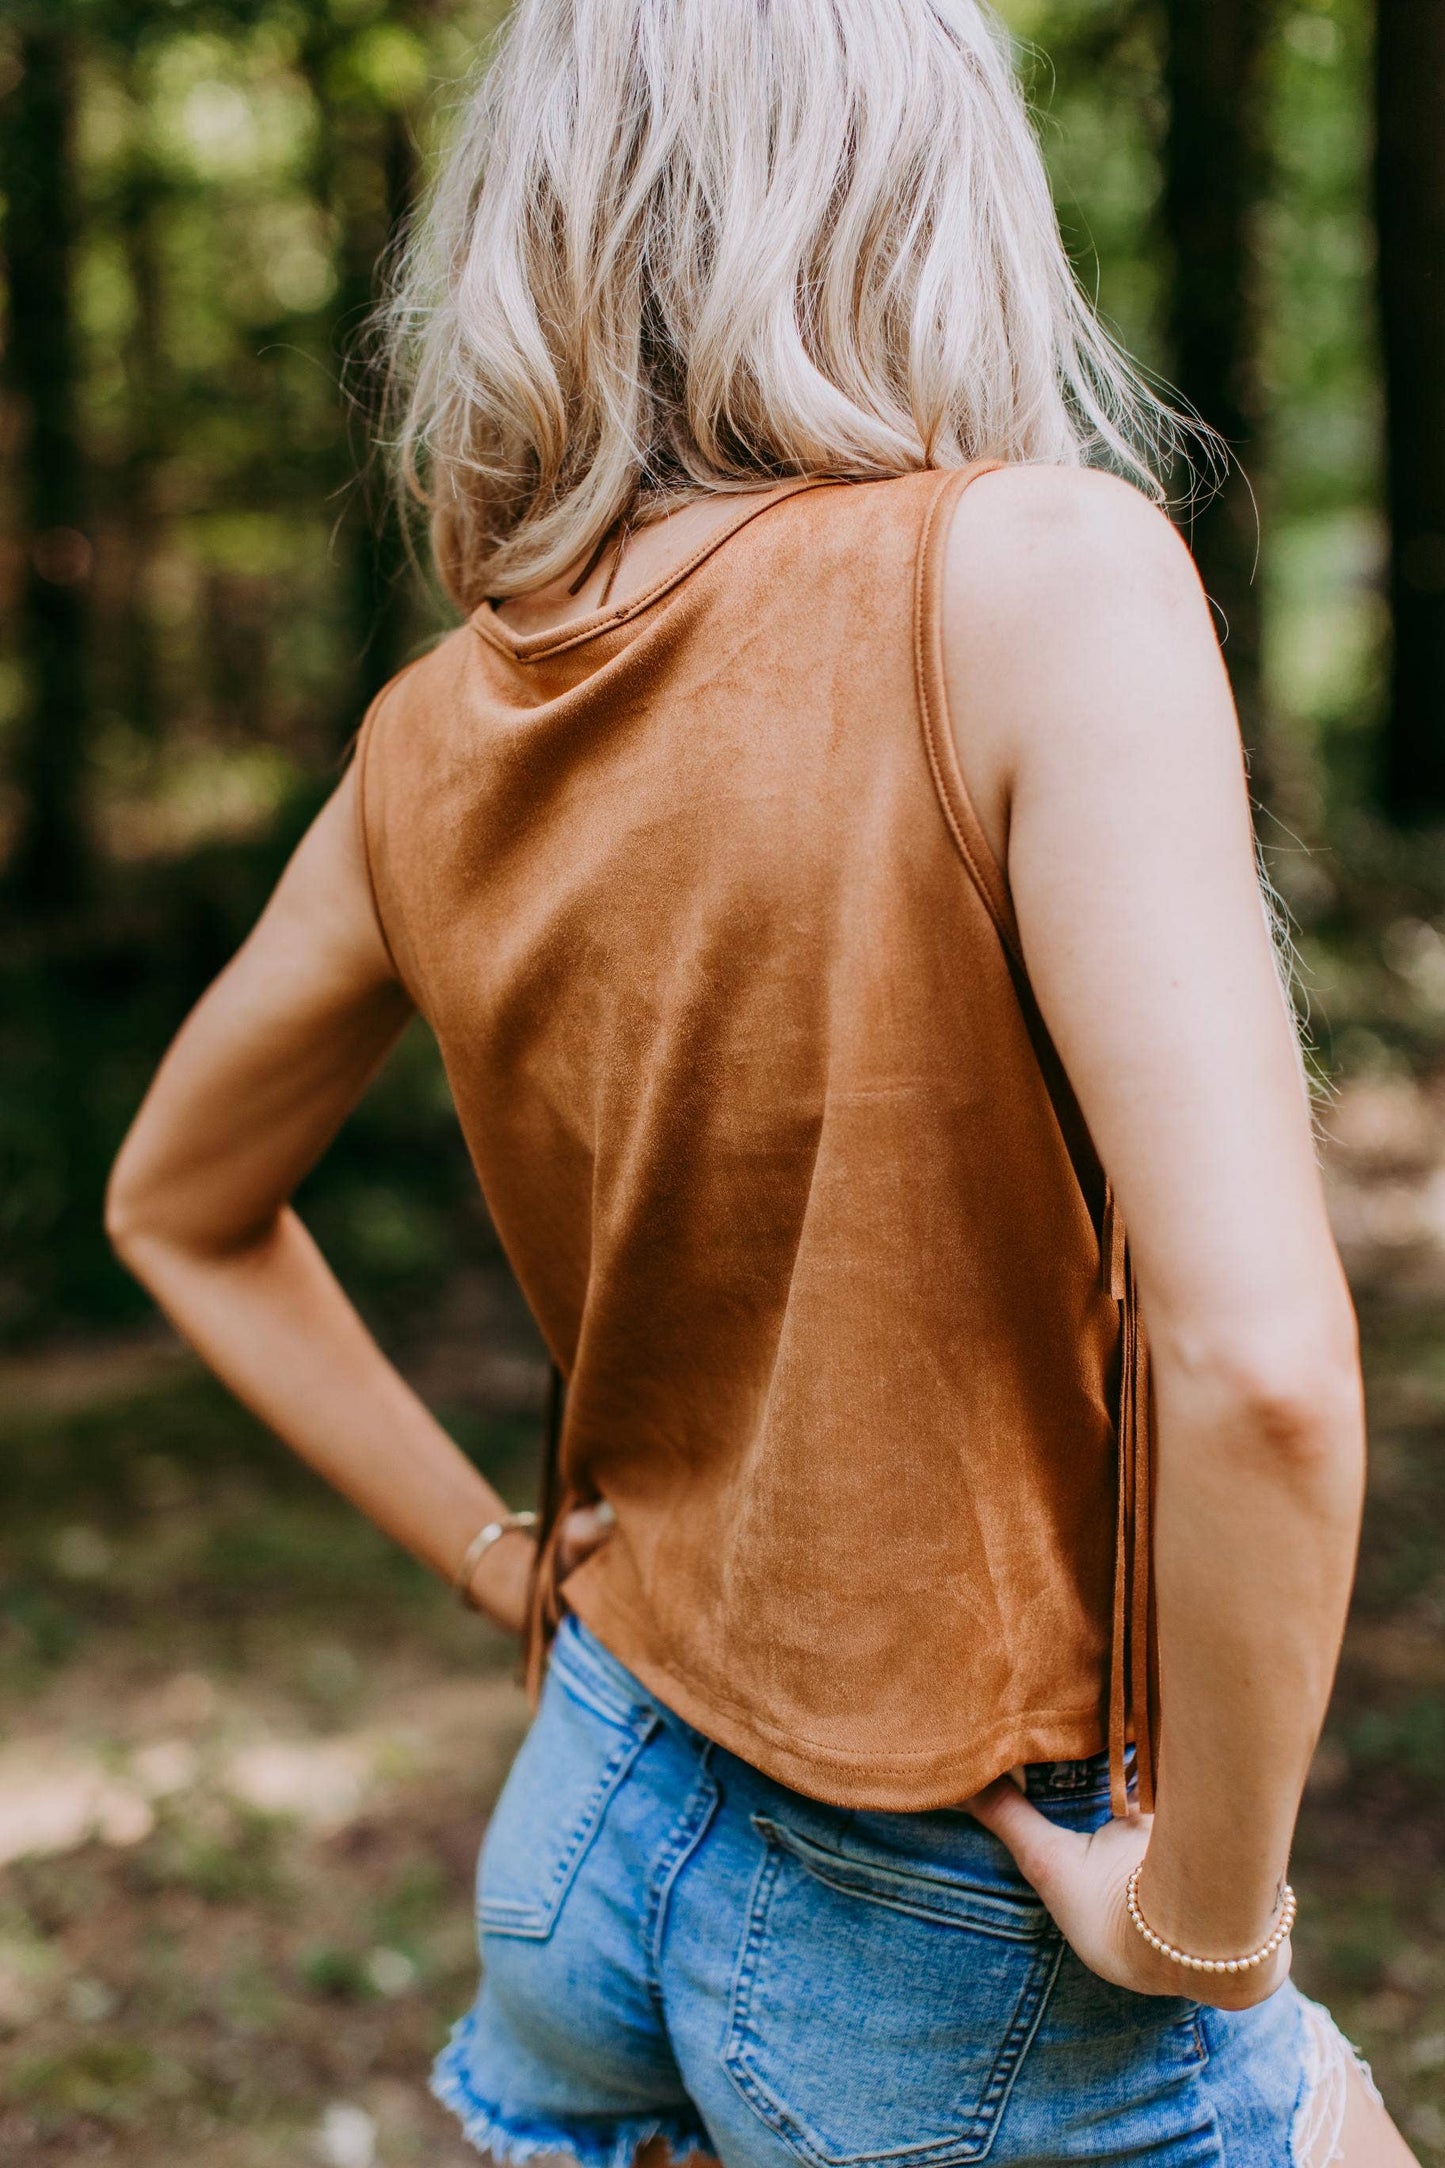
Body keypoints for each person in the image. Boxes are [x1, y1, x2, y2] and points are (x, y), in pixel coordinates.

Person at [106, 2, 1418, 2162]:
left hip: (587, 1822)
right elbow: (1263, 1368)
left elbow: (177, 1198)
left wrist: (484, 1555)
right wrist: (1206, 1927)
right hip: (965, 1892)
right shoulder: (1037, 572)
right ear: (937, 188)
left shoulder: (434, 728)